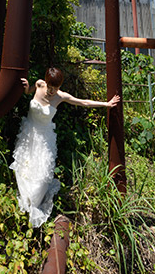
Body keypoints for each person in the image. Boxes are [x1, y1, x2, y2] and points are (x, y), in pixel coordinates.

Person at [9, 67, 120, 227]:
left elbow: (83, 102)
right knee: (25, 165)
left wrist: (106, 104)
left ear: (60, 86)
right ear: (45, 82)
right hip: (30, 132)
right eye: (50, 87)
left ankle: (33, 203)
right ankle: (23, 200)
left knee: (41, 172)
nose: (52, 91)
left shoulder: (61, 96)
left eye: (56, 88)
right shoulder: (39, 84)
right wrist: (26, 88)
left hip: (44, 138)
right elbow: (28, 93)